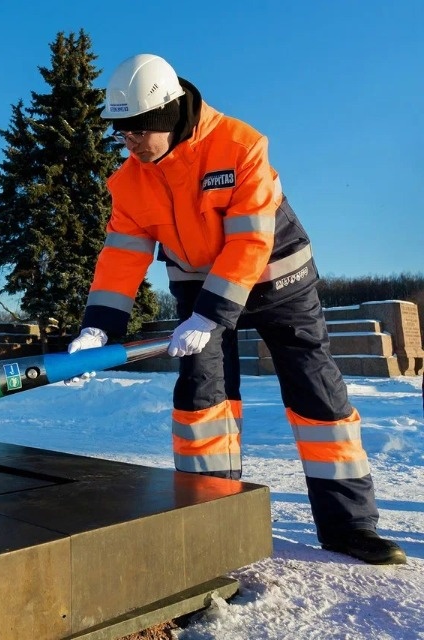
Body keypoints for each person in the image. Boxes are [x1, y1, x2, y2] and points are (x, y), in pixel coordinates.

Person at [68, 54, 406, 565]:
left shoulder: (240, 146)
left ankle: (351, 528)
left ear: (167, 114)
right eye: (122, 132)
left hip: (279, 283)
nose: (130, 142)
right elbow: (121, 257)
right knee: (201, 400)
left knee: (318, 396)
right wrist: (98, 328)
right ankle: (208, 522)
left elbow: (250, 240)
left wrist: (210, 316)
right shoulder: (130, 182)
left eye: (139, 130)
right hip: (199, 290)